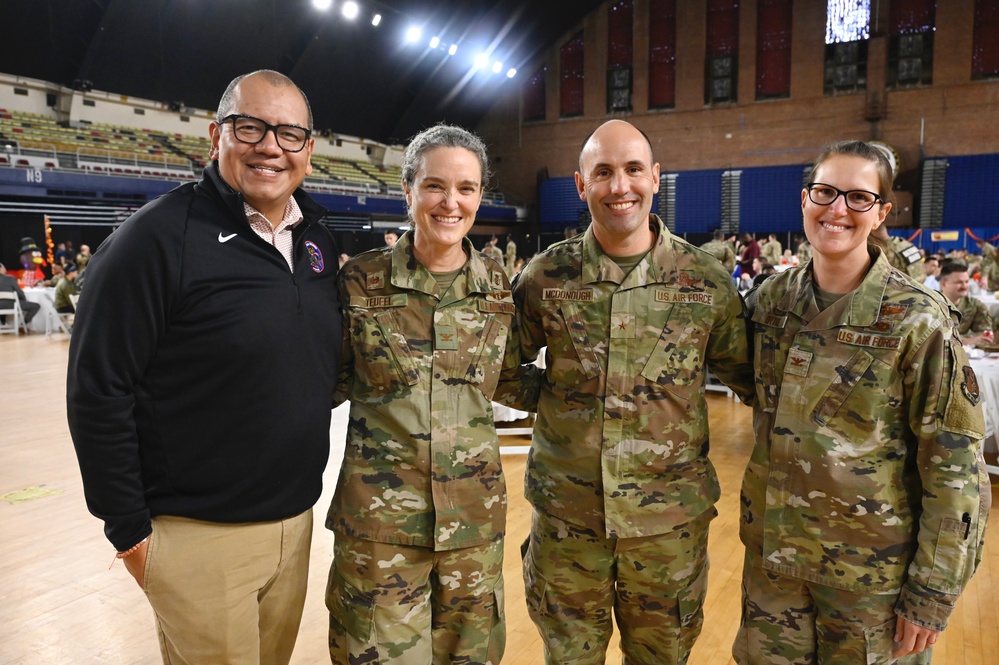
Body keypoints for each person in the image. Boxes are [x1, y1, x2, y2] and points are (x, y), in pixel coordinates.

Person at [66, 70, 342, 665]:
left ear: (309, 149)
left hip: (296, 524)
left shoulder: (316, 238)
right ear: (216, 136)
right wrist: (129, 532)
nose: (271, 147)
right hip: (198, 536)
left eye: (290, 133)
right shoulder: (155, 239)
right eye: (251, 127)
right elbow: (98, 389)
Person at [504, 119, 753, 664]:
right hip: (569, 523)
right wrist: (556, 397)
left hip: (667, 531)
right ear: (581, 184)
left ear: (655, 177)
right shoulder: (547, 276)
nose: (620, 186)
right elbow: (500, 365)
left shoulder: (705, 280)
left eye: (633, 169)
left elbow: (750, 376)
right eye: (604, 172)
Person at [735, 140, 989, 664]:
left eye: (858, 197)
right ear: (804, 199)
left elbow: (957, 469)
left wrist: (932, 593)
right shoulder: (770, 302)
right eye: (825, 192)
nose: (837, 209)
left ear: (881, 213)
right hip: (773, 570)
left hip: (870, 582)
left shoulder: (917, 318)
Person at [326, 123, 519, 664]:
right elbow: (320, 381)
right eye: (435, 186)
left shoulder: (499, 289)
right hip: (380, 532)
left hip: (473, 528)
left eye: (466, 188)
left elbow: (515, 378)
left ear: (479, 196)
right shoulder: (360, 282)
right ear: (408, 189)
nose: (450, 202)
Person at [938, 260, 993, 346]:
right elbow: (931, 339)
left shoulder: (974, 304)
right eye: (959, 282)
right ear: (944, 283)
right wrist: (965, 340)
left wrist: (968, 339)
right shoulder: (931, 305)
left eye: (966, 281)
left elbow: (984, 335)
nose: (965, 286)